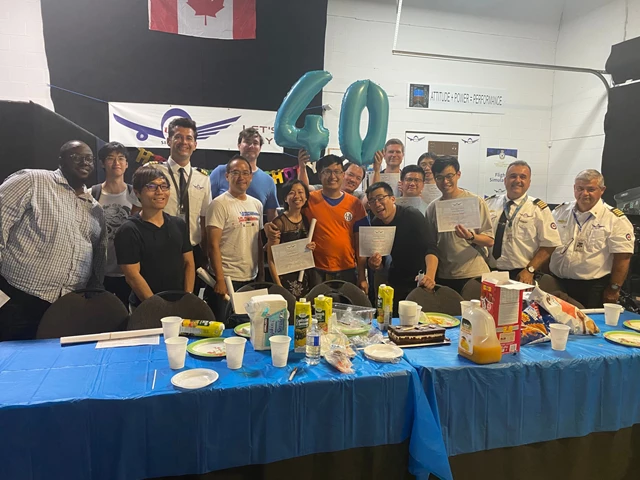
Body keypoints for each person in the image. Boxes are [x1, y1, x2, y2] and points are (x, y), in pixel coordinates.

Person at [0, 140, 107, 340]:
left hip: (66, 308)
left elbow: (98, 258)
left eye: (89, 159)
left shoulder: (95, 209)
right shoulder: (33, 180)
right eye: (76, 157)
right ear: (61, 160)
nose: (84, 162)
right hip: (17, 299)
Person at [268, 155, 369, 292]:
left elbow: (361, 243)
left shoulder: (355, 204)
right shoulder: (309, 200)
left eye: (337, 171)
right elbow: (289, 216)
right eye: (327, 172)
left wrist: (362, 276)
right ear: (320, 175)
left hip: (347, 269)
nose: (332, 176)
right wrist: (269, 226)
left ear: (342, 174)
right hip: (315, 270)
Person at [549, 169, 634, 308]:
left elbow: (623, 257)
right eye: (580, 188)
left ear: (602, 190)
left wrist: (614, 289)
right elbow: (548, 244)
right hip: (557, 283)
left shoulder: (615, 219)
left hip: (592, 289)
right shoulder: (560, 212)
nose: (584, 193)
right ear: (574, 188)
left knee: (588, 322)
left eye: (591, 189)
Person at [114, 166, 194, 311]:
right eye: (151, 187)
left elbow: (189, 263)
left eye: (164, 186)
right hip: (146, 307)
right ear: (137, 192)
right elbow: (132, 276)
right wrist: (158, 308)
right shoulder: (129, 230)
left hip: (179, 303)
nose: (159, 192)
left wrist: (187, 298)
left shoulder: (178, 224)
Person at [147, 117, 211, 272]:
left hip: (192, 250)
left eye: (189, 138)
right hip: (157, 248)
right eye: (178, 137)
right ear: (169, 141)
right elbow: (137, 211)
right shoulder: (152, 171)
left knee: (191, 288)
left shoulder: (203, 178)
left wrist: (206, 253)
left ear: (195, 144)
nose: (184, 142)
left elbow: (204, 220)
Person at [206, 155, 264, 322]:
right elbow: (213, 245)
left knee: (248, 327)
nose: (241, 177)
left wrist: (261, 274)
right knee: (224, 328)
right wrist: (219, 279)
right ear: (227, 176)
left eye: (245, 173)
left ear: (251, 177)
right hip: (227, 279)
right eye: (236, 172)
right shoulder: (218, 204)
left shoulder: (257, 204)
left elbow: (258, 241)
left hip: (250, 278)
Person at [425, 155, 494, 293]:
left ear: (458, 174)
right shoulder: (432, 208)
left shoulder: (475, 202)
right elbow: (430, 246)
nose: (445, 181)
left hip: (473, 273)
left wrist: (471, 237)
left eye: (449, 176)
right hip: (444, 275)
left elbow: (490, 240)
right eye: (439, 177)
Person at [366, 182, 438, 313]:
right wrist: (375, 264)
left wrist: (430, 276)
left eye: (380, 198)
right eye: (372, 201)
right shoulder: (376, 223)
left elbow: (431, 247)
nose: (377, 204)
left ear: (393, 198)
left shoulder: (411, 215)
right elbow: (381, 262)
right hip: (396, 280)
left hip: (419, 280)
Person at [486, 160, 561, 283]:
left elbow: (550, 244)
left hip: (522, 274)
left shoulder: (538, 209)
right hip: (491, 272)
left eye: (523, 177)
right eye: (513, 176)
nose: (517, 180)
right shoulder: (489, 204)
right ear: (505, 180)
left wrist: (530, 270)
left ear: (529, 183)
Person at [90, 142, 141, 306]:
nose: (116, 163)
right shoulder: (92, 193)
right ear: (102, 163)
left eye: (121, 158)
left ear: (127, 164)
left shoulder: (135, 195)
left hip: (128, 271)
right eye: (110, 158)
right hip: (100, 271)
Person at [209, 127, 279, 221]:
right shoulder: (220, 172)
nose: (251, 146)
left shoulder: (268, 181)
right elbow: (205, 204)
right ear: (239, 145)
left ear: (260, 148)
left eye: (255, 143)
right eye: (247, 142)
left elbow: (272, 216)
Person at [266, 179, 316, 297]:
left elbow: (304, 248)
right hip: (284, 278)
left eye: (300, 192)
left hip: (304, 275)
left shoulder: (306, 220)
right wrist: (279, 286)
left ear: (306, 197)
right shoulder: (279, 223)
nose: (297, 196)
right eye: (292, 193)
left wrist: (310, 247)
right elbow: (271, 259)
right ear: (285, 198)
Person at [297, 149, 367, 200]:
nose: (353, 180)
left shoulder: (358, 197)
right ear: (343, 174)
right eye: (350, 175)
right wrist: (302, 167)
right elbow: (303, 188)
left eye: (358, 178)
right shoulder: (323, 189)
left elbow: (370, 200)